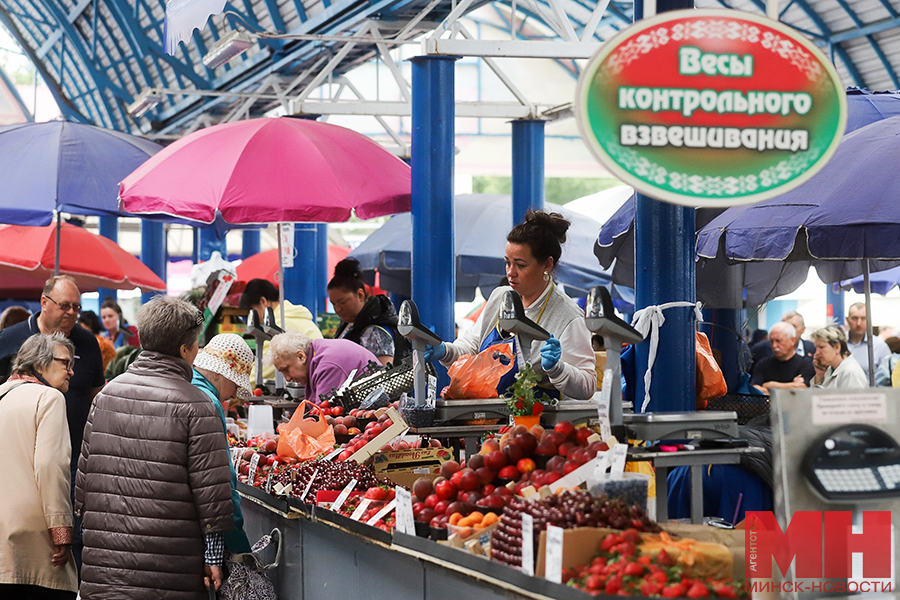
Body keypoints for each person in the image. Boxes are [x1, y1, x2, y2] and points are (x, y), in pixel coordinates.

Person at [75, 296, 234, 599]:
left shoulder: (106, 396)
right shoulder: (197, 405)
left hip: (104, 564)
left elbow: (83, 484)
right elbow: (211, 492)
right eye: (196, 344)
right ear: (186, 349)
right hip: (169, 568)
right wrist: (213, 558)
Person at [425, 210, 595, 400]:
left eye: (520, 265)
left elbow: (587, 386)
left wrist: (557, 369)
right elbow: (472, 347)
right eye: (507, 263)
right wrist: (444, 351)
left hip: (538, 424)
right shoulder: (500, 297)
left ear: (547, 265)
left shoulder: (569, 317)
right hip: (488, 418)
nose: (510, 273)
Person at [0, 276, 105, 572]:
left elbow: (97, 397)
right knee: (29, 538)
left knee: (73, 543)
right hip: (19, 459)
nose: (71, 312)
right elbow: (46, 465)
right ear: (44, 302)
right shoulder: (9, 340)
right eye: (64, 306)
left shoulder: (88, 342)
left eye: (77, 307)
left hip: (76, 458)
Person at [0, 333, 78, 599]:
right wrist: (62, 533)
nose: (71, 371)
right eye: (65, 363)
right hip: (33, 542)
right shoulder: (49, 398)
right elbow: (50, 468)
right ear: (40, 363)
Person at [191, 334, 254, 556]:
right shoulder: (209, 401)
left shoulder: (183, 386)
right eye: (235, 384)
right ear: (220, 375)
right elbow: (220, 480)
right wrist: (239, 545)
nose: (235, 393)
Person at [327, 258, 409, 366]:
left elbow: (383, 374)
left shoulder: (375, 331)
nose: (338, 309)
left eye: (342, 302)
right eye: (333, 304)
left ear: (360, 295)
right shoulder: (350, 324)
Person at [239, 279, 323, 382]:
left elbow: (264, 367)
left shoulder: (279, 324)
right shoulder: (298, 316)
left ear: (263, 301)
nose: (252, 317)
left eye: (252, 310)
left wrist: (241, 384)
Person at [268, 331, 378, 405]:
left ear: (301, 356)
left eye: (286, 369)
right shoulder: (317, 352)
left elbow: (321, 417)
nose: (287, 378)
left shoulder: (328, 365)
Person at [750, 321, 815, 394]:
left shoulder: (805, 365)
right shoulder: (763, 364)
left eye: (778, 341)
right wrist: (791, 386)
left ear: (792, 340)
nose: (774, 346)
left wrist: (770, 385)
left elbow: (804, 388)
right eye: (771, 341)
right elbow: (755, 388)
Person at [750, 310, 815, 366]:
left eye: (794, 326)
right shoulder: (761, 349)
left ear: (803, 329)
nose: (790, 330)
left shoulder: (813, 348)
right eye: (786, 326)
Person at [812, 325, 868, 389]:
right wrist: (820, 376)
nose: (817, 353)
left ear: (837, 347)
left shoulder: (850, 373)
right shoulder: (831, 369)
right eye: (816, 348)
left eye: (821, 347)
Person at [846, 302, 890, 377]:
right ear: (847, 320)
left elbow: (887, 379)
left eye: (863, 318)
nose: (859, 323)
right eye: (855, 318)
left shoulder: (880, 347)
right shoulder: (838, 344)